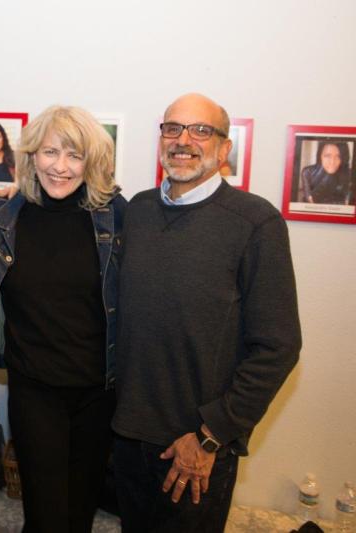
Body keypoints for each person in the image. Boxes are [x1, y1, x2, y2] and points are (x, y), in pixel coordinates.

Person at [112, 93, 302, 533]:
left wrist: (210, 434)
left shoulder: (255, 222)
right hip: (127, 434)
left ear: (223, 148)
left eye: (201, 130)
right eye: (173, 128)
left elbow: (278, 346)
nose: (183, 140)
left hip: (195, 446)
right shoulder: (137, 211)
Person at [0, 105, 126, 532]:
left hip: (99, 392)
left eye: (74, 155)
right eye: (50, 152)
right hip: (34, 390)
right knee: (44, 514)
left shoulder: (115, 216)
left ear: (91, 162)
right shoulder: (2, 218)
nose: (61, 167)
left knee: (80, 512)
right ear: (31, 156)